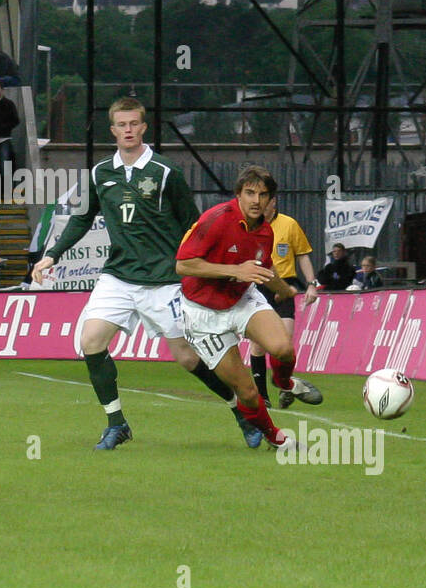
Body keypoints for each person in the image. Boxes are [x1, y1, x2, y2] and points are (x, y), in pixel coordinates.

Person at [31, 97, 270, 450]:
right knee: (90, 342)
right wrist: (51, 255)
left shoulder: (165, 171)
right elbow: (82, 218)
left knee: (189, 358)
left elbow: (195, 226)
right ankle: (117, 423)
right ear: (112, 130)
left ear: (143, 127)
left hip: (165, 280)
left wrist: (216, 270)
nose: (128, 130)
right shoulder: (100, 173)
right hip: (118, 276)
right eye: (121, 125)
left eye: (134, 124)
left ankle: (239, 412)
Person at [175, 165, 324, 452]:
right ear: (238, 195)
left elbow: (263, 266)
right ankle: (275, 437)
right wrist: (234, 270)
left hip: (241, 298)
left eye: (263, 195)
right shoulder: (216, 219)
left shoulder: (265, 232)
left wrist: (283, 290)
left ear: (271, 200)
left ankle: (285, 382)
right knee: (247, 392)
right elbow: (183, 264)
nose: (257, 200)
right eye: (250, 193)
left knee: (283, 348)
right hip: (203, 314)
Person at [248, 193, 322, 409]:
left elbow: (303, 255)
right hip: (259, 284)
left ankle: (284, 387)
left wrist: (311, 283)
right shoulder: (250, 225)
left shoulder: (289, 224)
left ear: (273, 202)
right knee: (258, 343)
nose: (260, 203)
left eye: (265, 199)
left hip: (285, 286)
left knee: (285, 343)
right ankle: (262, 395)